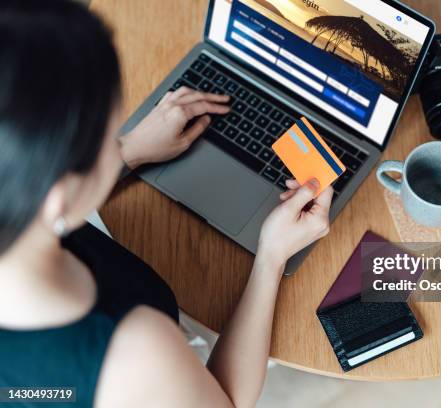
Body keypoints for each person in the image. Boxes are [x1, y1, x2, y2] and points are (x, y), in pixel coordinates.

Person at [0, 1, 332, 407]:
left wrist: (131, 151)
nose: (117, 136)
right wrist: (272, 257)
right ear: (58, 196)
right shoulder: (133, 356)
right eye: (108, 134)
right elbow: (228, 400)